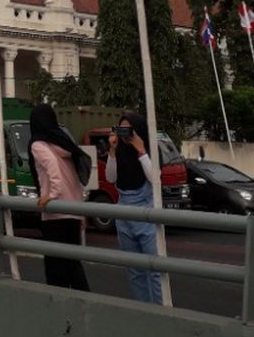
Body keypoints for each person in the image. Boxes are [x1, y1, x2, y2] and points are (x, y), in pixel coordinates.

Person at [28, 103, 92, 292]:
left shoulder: (38, 144)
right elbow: (76, 180)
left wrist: (51, 195)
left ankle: (58, 309)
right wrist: (81, 214)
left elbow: (52, 166)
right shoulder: (63, 142)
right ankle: (84, 304)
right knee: (73, 265)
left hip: (55, 214)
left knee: (55, 268)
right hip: (73, 210)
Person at [105, 110, 161, 303]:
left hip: (146, 211)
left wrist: (141, 150)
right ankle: (143, 308)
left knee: (155, 268)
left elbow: (155, 179)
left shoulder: (149, 150)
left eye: (130, 130)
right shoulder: (119, 151)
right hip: (124, 213)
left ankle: (160, 310)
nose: (125, 135)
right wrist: (112, 150)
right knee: (134, 269)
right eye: (122, 130)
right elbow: (111, 178)